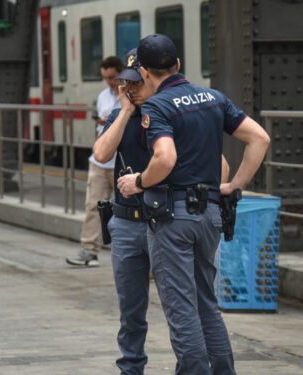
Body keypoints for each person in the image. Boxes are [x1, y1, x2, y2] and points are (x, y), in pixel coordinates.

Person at [117, 34, 270, 374]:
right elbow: (259, 138)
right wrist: (233, 186)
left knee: (182, 310)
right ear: (178, 65)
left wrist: (138, 181)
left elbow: (165, 158)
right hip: (211, 214)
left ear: (143, 72)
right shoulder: (214, 98)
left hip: (173, 219)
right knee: (206, 306)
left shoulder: (157, 106)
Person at [96, 49, 232, 375]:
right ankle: (131, 368)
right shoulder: (123, 116)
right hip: (130, 223)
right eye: (126, 85)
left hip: (168, 220)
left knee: (186, 305)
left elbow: (221, 167)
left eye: (136, 83)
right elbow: (101, 153)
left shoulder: (171, 114)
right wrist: (125, 112)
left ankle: (193, 367)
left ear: (149, 77)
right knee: (132, 310)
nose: (131, 90)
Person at [66, 56, 123, 267]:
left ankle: (133, 253)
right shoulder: (102, 97)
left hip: (121, 163)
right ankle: (89, 251)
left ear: (121, 74)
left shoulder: (131, 95)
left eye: (113, 77)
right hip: (100, 162)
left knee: (128, 210)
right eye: (106, 78)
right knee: (93, 205)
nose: (110, 82)